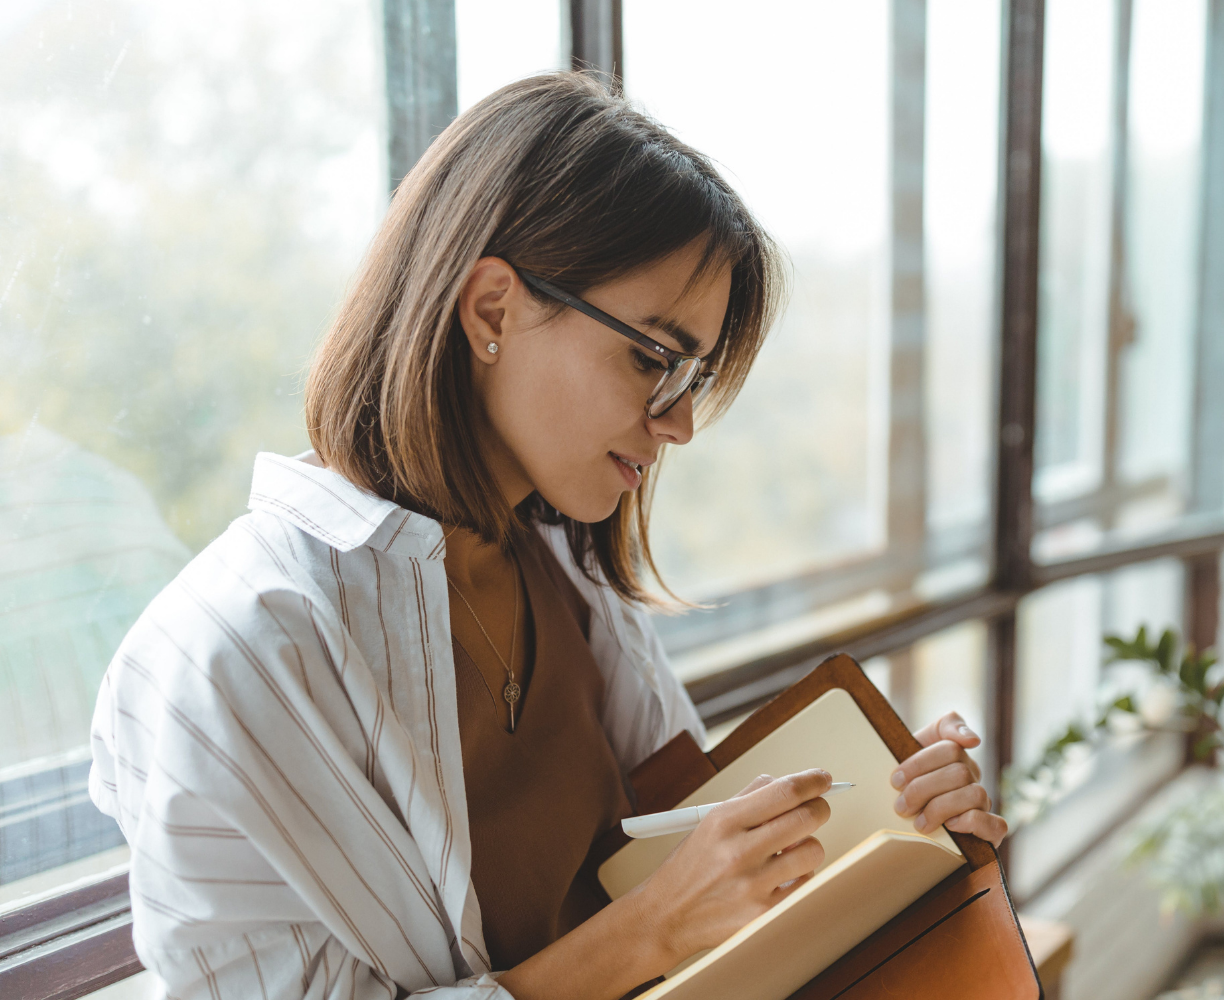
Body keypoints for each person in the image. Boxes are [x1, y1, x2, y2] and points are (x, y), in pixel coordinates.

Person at [88, 72, 1005, 1000]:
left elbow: (688, 863)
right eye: (652, 358)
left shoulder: (568, 570)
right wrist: (650, 932)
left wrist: (889, 823)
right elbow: (663, 914)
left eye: (690, 376)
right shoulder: (231, 654)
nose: (680, 423)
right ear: (493, 309)